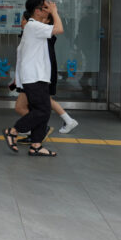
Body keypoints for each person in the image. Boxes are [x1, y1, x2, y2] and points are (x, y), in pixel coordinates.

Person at [3, 0, 63, 157]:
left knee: (41, 110)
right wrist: (55, 12)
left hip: (36, 76)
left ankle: (36, 145)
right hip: (35, 77)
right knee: (43, 111)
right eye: (45, 7)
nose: (48, 9)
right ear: (37, 11)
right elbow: (59, 29)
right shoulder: (33, 26)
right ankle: (13, 131)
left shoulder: (33, 27)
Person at [13, 12, 79, 143]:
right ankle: (38, 131)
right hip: (32, 77)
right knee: (35, 105)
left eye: (25, 20)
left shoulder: (43, 35)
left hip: (38, 77)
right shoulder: (34, 33)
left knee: (34, 105)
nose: (23, 22)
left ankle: (38, 129)